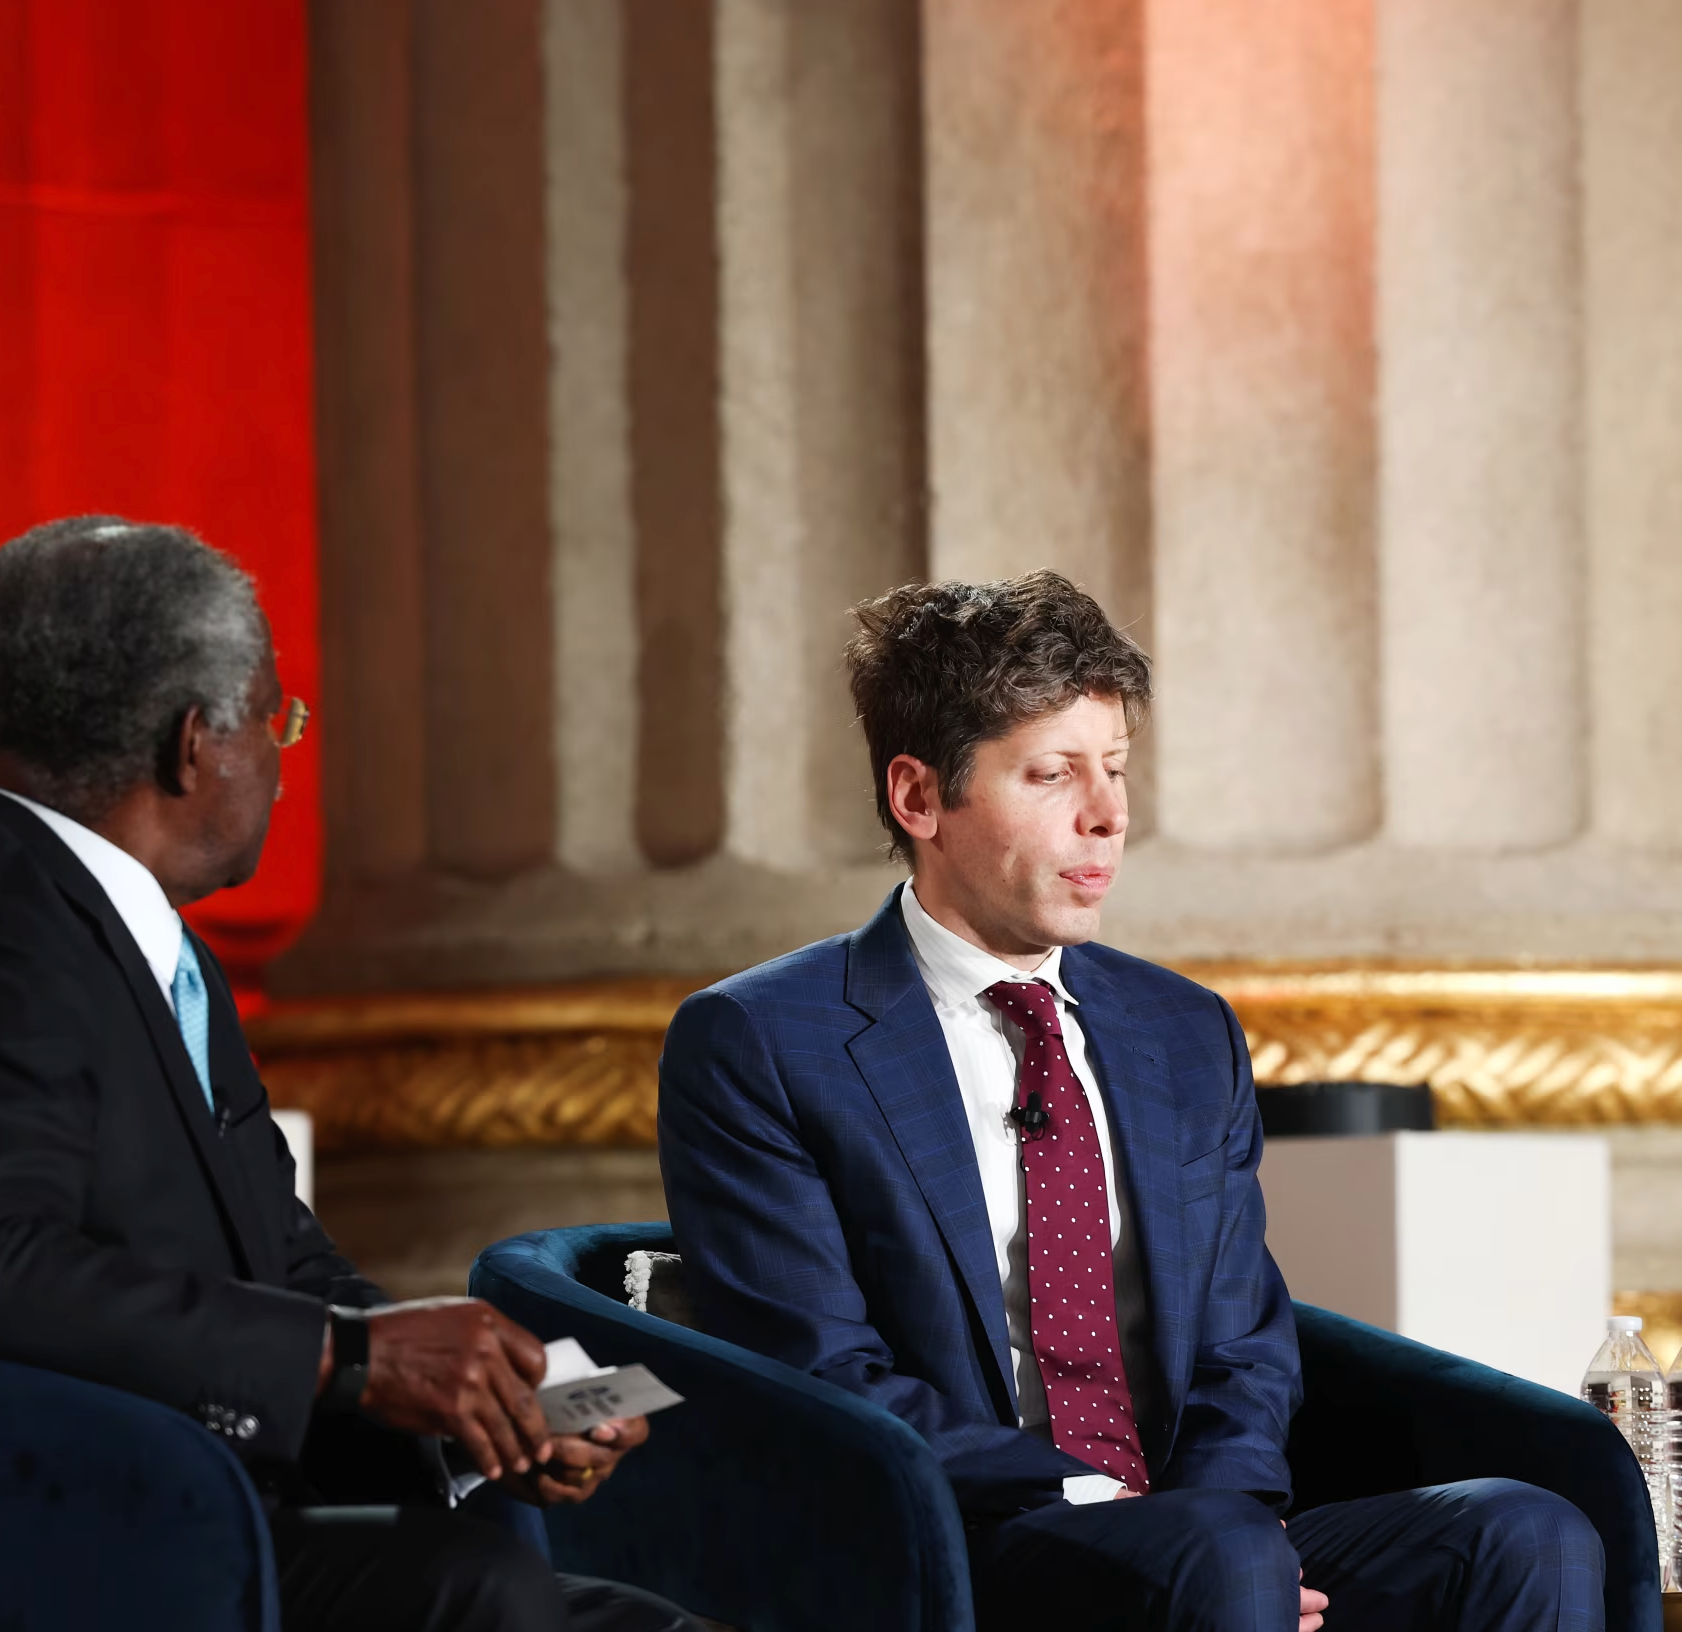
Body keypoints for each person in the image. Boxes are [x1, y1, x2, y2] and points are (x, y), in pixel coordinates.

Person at [656, 572, 1608, 1631]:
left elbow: (1244, 1343)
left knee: (1526, 1533)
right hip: (965, 1545)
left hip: (1204, 1533)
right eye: (1053, 775)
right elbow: (821, 1371)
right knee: (1217, 1559)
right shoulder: (764, 1040)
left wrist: (1229, 1515)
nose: (1109, 816)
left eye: (1114, 768)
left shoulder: (1184, 1031)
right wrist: (1126, 1512)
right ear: (919, 798)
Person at [0, 517, 693, 1632]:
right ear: (196, 744)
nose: (284, 767)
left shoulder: (134, 940)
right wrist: (350, 1357)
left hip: (210, 1508)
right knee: (484, 1595)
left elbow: (278, 1254)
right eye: (278, 721)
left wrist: (466, 1403)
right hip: (83, 1549)